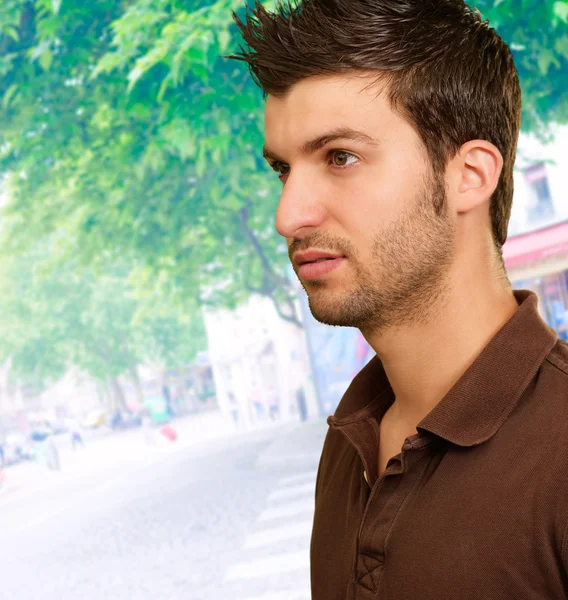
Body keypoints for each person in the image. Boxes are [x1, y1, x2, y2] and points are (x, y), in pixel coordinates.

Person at [230, 1, 568, 598]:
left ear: (469, 175)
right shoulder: (347, 440)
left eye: (341, 157)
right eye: (283, 170)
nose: (288, 216)